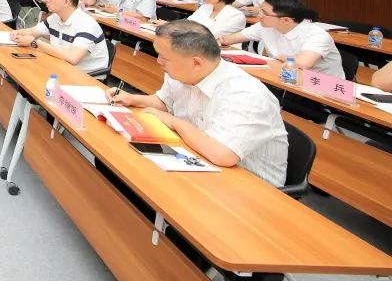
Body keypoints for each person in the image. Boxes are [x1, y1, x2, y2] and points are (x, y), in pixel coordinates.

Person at [109, 20, 288, 186]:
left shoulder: (245, 94)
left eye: (164, 57)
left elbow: (222, 154)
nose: (158, 61)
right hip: (199, 158)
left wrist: (173, 122)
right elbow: (165, 103)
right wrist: (132, 99)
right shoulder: (183, 72)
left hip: (250, 186)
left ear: (196, 62)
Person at [218, 0, 344, 79]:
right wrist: (219, 41)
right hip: (285, 79)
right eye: (260, 10)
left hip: (324, 87)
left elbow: (302, 63)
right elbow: (231, 39)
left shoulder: (316, 34)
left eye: (264, 13)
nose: (259, 15)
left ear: (286, 20)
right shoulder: (265, 26)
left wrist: (277, 57)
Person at [11, 0, 109, 74]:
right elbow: (34, 31)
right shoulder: (55, 17)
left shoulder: (87, 24)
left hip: (85, 75)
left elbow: (73, 58)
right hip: (61, 64)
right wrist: (18, 32)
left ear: (67, 2)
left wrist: (34, 43)